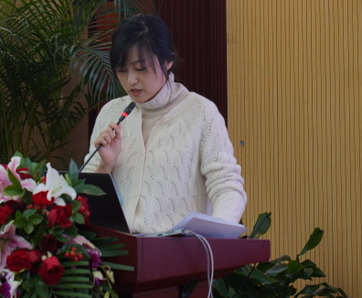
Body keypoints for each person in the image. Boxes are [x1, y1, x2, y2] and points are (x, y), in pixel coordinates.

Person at [83, 14, 246, 234]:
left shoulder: (201, 113)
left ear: (168, 61)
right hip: (118, 247)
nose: (130, 80)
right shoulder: (111, 112)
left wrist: (214, 238)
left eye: (141, 68)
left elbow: (227, 187)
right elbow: (85, 199)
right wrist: (106, 166)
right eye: (122, 70)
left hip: (180, 249)